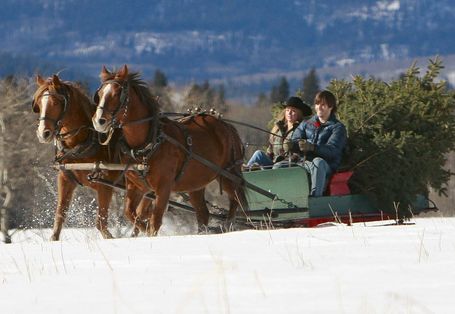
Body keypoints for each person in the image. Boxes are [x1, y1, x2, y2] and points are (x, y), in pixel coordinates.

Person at [290, 90, 347, 197]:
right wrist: (292, 145)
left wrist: (312, 147)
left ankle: (316, 198)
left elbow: (333, 151)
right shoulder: (306, 123)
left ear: (331, 107)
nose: (319, 107)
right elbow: (295, 139)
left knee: (318, 162)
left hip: (326, 165)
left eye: (323, 105)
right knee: (280, 165)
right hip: (304, 162)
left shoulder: (338, 128)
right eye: (317, 104)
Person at [245, 96, 312, 169]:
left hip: (291, 166)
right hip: (274, 165)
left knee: (277, 166)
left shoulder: (302, 130)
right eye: (287, 110)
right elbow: (270, 151)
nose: (289, 113)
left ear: (299, 113)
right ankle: (244, 174)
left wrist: (284, 161)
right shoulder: (278, 129)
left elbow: (299, 154)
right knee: (258, 154)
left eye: (293, 111)